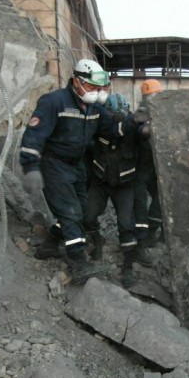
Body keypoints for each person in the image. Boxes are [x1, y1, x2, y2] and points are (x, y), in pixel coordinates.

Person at [19, 59, 139, 285]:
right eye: (93, 87)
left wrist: (134, 120)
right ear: (76, 82)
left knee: (81, 212)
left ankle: (49, 246)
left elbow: (113, 131)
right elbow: (33, 137)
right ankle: (78, 262)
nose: (98, 92)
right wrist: (31, 167)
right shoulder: (54, 102)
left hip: (77, 166)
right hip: (54, 165)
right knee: (70, 212)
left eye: (101, 88)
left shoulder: (94, 108)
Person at [83, 91, 143, 288]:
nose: (117, 117)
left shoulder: (135, 128)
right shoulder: (101, 125)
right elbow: (108, 134)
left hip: (124, 185)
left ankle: (128, 265)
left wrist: (144, 125)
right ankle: (97, 241)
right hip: (100, 182)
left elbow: (142, 133)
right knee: (88, 216)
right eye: (112, 114)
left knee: (126, 224)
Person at [133, 79, 164, 252]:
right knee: (140, 203)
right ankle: (142, 238)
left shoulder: (166, 112)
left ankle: (155, 231)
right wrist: (151, 125)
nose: (153, 98)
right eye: (150, 96)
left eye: (156, 95)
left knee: (160, 200)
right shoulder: (140, 113)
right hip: (141, 166)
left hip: (158, 168)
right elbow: (141, 131)